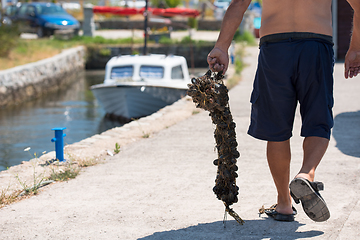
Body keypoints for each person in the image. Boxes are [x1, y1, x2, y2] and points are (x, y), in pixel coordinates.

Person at [207, 0, 360, 222]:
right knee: (318, 120)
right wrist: (355, 48)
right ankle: (306, 174)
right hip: (316, 45)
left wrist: (221, 47)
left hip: (275, 48)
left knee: (276, 129)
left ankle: (284, 203)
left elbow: (239, 4)